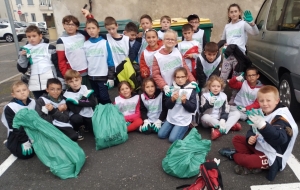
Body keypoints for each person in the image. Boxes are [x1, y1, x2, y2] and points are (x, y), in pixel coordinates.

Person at [219, 85, 298, 181]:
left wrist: (263, 126)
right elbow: (252, 130)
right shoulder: (262, 111)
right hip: (261, 145)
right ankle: (254, 161)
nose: (265, 104)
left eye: (268, 100)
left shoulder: (282, 117)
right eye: (261, 101)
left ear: (277, 101)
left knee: (244, 160)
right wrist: (250, 138)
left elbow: (280, 138)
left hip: (272, 154)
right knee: (237, 139)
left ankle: (234, 156)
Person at [218, 3, 259, 104]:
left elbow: (255, 33)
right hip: (228, 54)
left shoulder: (243, 24)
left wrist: (252, 23)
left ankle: (234, 97)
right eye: (231, 12)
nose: (233, 14)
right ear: (228, 14)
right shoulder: (227, 26)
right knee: (223, 76)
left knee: (236, 78)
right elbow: (223, 39)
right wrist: (221, 46)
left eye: (235, 11)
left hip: (239, 55)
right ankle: (219, 94)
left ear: (239, 12)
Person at [152, 29, 199, 97]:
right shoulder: (157, 56)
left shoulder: (177, 52)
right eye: (167, 39)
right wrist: (164, 86)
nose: (170, 41)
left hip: (181, 86)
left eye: (172, 39)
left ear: (176, 42)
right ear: (163, 41)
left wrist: (192, 80)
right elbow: (156, 74)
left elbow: (185, 68)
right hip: (168, 89)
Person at [17, 25, 58, 99]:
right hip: (34, 83)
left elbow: (57, 65)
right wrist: (23, 57)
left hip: (50, 81)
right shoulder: (24, 49)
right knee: (40, 104)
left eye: (34, 36)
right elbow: (21, 69)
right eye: (29, 37)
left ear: (40, 36)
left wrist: (59, 80)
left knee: (53, 102)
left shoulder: (49, 47)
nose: (31, 39)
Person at [158, 67, 197, 143]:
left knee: (172, 139)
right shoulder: (171, 89)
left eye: (182, 77)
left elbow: (193, 108)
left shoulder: (191, 90)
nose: (180, 79)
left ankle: (186, 126)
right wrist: (172, 100)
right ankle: (175, 127)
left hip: (183, 119)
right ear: (174, 78)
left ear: (186, 77)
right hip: (172, 117)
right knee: (161, 135)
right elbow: (167, 106)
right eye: (178, 77)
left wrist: (185, 102)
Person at [56, 10, 93, 88]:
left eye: (72, 24)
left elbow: (92, 28)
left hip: (87, 71)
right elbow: (61, 61)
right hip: (73, 76)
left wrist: (88, 16)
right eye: (67, 24)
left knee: (89, 94)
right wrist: (67, 75)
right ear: (63, 25)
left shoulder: (82, 35)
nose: (70, 26)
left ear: (77, 26)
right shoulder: (61, 41)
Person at [83, 18, 115, 105]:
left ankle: (110, 113)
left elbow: (110, 61)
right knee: (97, 96)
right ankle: (101, 115)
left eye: (93, 28)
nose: (91, 31)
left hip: (102, 76)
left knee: (104, 97)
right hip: (91, 76)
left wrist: (111, 77)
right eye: (88, 28)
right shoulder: (85, 44)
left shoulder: (104, 43)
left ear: (98, 29)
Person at [1, 81, 36, 159]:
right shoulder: (10, 107)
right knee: (27, 155)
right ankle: (10, 143)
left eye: (24, 90)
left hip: (32, 130)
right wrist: (25, 141)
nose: (22, 93)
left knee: (42, 149)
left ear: (28, 91)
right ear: (13, 95)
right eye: (18, 91)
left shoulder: (33, 102)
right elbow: (14, 126)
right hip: (18, 133)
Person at [200, 75, 241, 140]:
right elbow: (201, 110)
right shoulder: (205, 95)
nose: (216, 88)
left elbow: (225, 110)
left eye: (218, 86)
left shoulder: (223, 95)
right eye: (213, 86)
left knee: (237, 113)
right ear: (209, 87)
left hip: (220, 119)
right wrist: (209, 104)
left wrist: (222, 120)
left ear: (221, 88)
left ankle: (219, 131)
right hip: (209, 120)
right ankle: (229, 126)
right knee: (205, 117)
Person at [63, 69, 97, 140]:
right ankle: (76, 129)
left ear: (81, 79)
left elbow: (93, 103)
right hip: (77, 115)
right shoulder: (67, 95)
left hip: (88, 113)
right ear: (67, 82)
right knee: (76, 119)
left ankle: (86, 126)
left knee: (95, 130)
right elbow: (75, 110)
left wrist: (78, 102)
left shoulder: (85, 88)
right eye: (71, 81)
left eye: (76, 80)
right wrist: (84, 98)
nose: (75, 83)